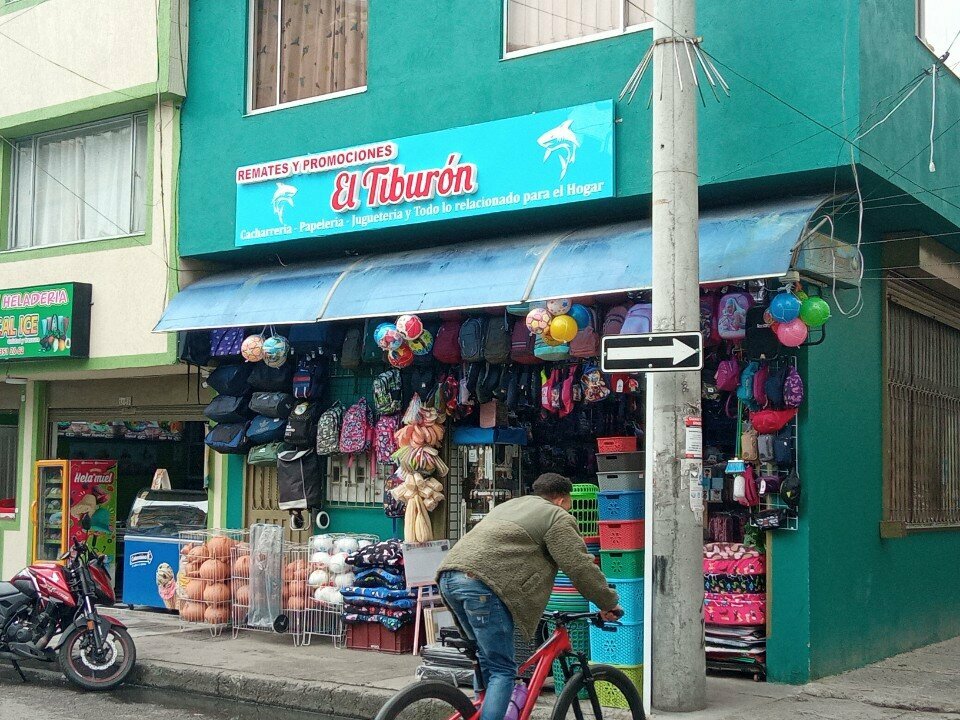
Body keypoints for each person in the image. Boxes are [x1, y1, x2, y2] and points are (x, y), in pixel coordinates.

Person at [437, 473, 623, 720]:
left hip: (449, 576)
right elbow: (578, 566)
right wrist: (608, 602)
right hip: (481, 585)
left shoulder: (514, 504)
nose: (570, 511)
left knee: (485, 658)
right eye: (569, 505)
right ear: (561, 499)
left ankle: (477, 710)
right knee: (503, 669)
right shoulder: (557, 516)